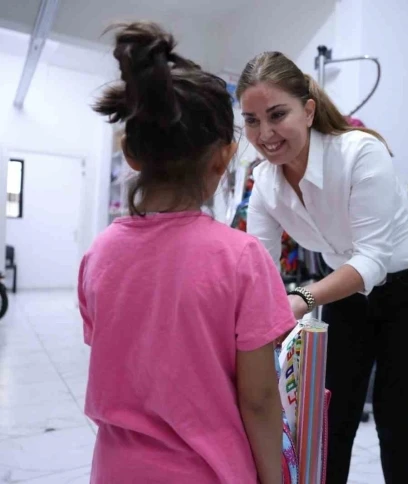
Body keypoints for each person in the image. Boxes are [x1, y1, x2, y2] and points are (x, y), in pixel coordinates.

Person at [79, 23, 294, 484]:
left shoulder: (98, 254)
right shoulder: (241, 258)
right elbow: (258, 399)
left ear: (132, 154)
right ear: (224, 157)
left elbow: (123, 357)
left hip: (115, 471)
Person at [237, 51, 408, 484]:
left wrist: (301, 300)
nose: (265, 134)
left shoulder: (359, 152)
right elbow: (257, 266)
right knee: (334, 416)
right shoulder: (266, 186)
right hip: (345, 297)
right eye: (252, 120)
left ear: (308, 110)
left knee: (392, 415)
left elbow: (370, 261)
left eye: (277, 115)